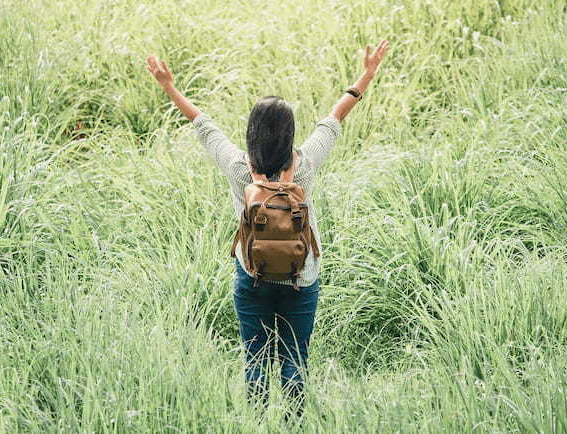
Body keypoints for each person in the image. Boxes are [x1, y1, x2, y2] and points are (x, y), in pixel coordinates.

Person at [146, 40, 389, 420]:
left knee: (255, 355)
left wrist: (169, 86)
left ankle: (258, 423)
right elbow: (335, 118)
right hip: (301, 277)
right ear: (289, 135)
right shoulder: (304, 166)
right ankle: (294, 423)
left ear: (252, 133)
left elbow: (204, 126)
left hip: (253, 276)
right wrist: (367, 74)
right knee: (295, 356)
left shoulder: (239, 170)